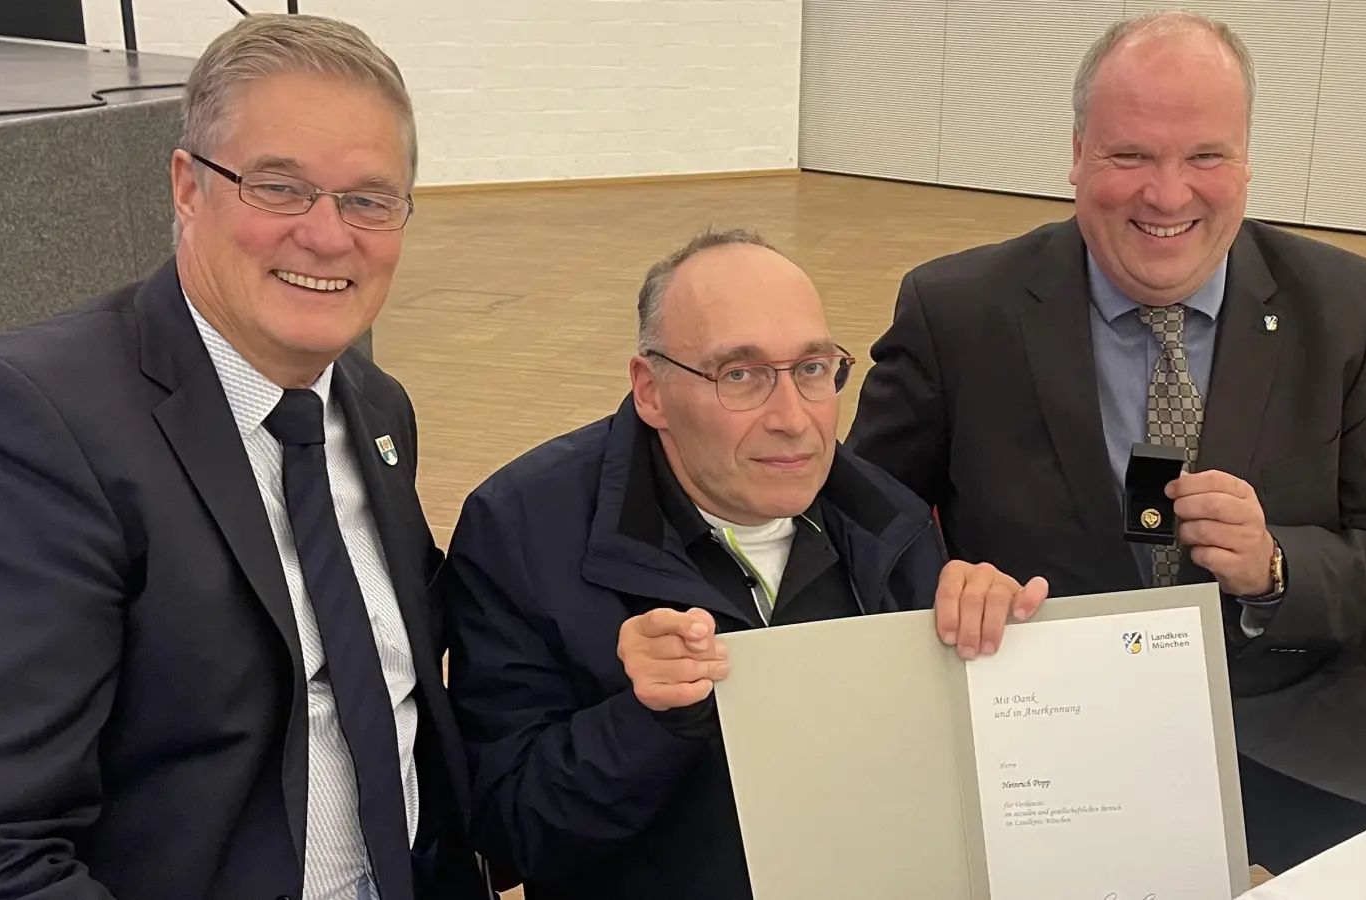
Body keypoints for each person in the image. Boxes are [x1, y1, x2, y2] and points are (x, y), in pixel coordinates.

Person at [846, 10, 1366, 875]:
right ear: (1076, 155)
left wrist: (1278, 568)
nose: (1168, 195)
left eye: (1205, 157)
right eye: (1129, 155)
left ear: (1247, 162)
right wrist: (941, 581)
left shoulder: (1346, 306)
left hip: (1297, 712)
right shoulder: (958, 313)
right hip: (1043, 722)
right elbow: (856, 526)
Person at [0, 15, 488, 900]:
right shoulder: (25, 424)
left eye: (368, 199)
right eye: (279, 187)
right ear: (187, 185)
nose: (330, 237)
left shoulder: (376, 408)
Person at [440, 228, 1047, 900]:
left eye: (813, 369)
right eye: (742, 376)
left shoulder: (890, 522)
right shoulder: (523, 529)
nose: (793, 418)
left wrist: (986, 661)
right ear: (650, 390)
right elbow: (509, 830)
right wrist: (649, 718)